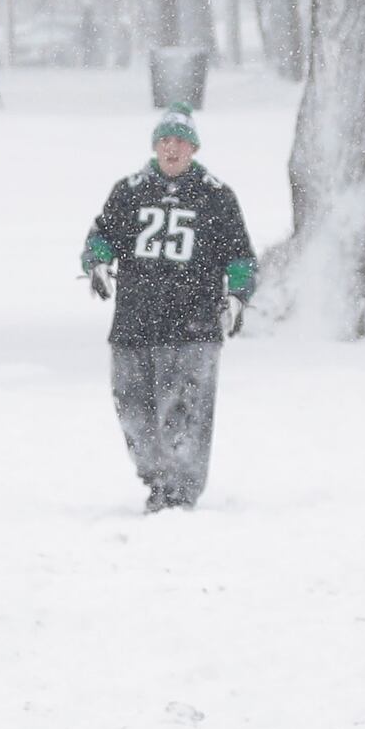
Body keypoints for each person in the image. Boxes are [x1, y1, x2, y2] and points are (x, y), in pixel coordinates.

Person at [79, 110, 257, 512]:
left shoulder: (216, 196)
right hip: (134, 324)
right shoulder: (128, 191)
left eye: (179, 141)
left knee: (185, 413)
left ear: (193, 148)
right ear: (154, 146)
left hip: (192, 326)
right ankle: (155, 478)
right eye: (164, 141)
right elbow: (100, 236)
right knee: (133, 409)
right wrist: (98, 264)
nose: (171, 148)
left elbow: (240, 256)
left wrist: (237, 295)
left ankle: (179, 491)